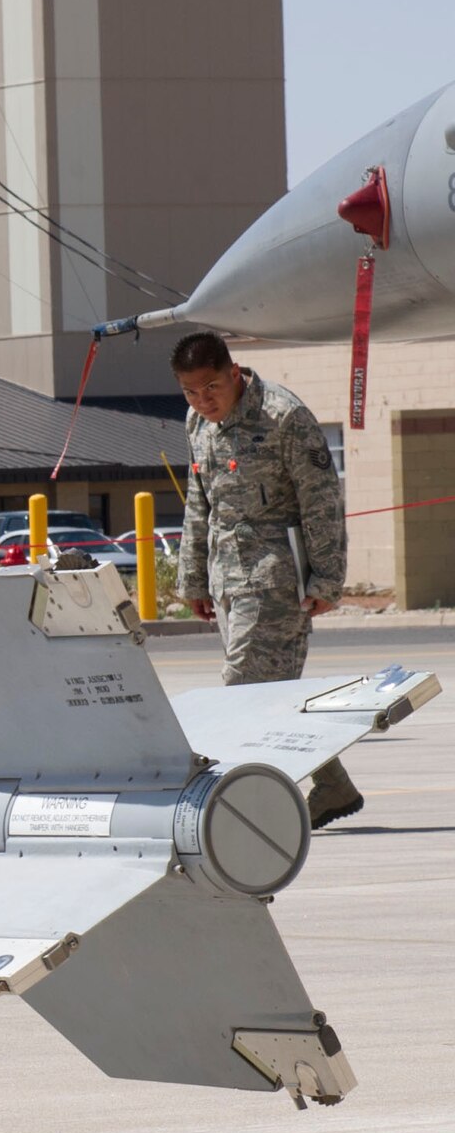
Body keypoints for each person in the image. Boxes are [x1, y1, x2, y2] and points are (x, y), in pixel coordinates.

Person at [175, 331, 359, 828]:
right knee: (270, 695)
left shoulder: (283, 417)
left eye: (211, 387)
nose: (202, 400)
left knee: (238, 693)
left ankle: (229, 811)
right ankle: (333, 787)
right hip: (226, 582)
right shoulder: (197, 423)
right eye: (190, 391)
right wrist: (192, 579)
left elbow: (321, 500)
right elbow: (200, 502)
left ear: (234, 373)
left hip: (275, 580)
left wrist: (327, 579)